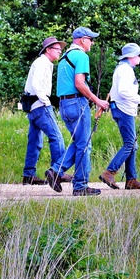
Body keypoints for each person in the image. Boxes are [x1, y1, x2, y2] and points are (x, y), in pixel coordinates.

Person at [55, 26, 109, 196]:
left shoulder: (64, 57)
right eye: (91, 39)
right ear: (83, 39)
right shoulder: (81, 56)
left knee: (79, 143)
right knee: (85, 145)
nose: (92, 43)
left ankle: (55, 170)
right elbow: (79, 83)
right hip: (77, 103)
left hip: (63, 105)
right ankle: (80, 185)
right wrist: (97, 100)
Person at [99, 43, 140, 190]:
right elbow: (123, 91)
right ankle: (109, 172)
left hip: (121, 109)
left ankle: (131, 179)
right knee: (130, 143)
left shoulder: (123, 69)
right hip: (123, 109)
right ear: (130, 56)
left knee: (133, 144)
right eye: (138, 54)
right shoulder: (125, 70)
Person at [21, 36, 70, 187]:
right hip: (40, 105)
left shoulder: (41, 63)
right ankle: (57, 172)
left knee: (35, 141)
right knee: (57, 137)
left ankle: (29, 175)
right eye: (57, 49)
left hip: (32, 106)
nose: (59, 52)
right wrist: (45, 100)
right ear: (48, 50)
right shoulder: (43, 62)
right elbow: (36, 84)